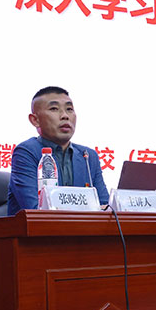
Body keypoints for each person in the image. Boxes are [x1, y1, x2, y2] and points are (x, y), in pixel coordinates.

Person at [7, 86, 108, 214]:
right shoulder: (26, 152)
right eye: (54, 109)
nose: (65, 116)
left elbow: (106, 208)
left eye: (69, 109)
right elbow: (35, 209)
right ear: (35, 120)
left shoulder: (88, 156)